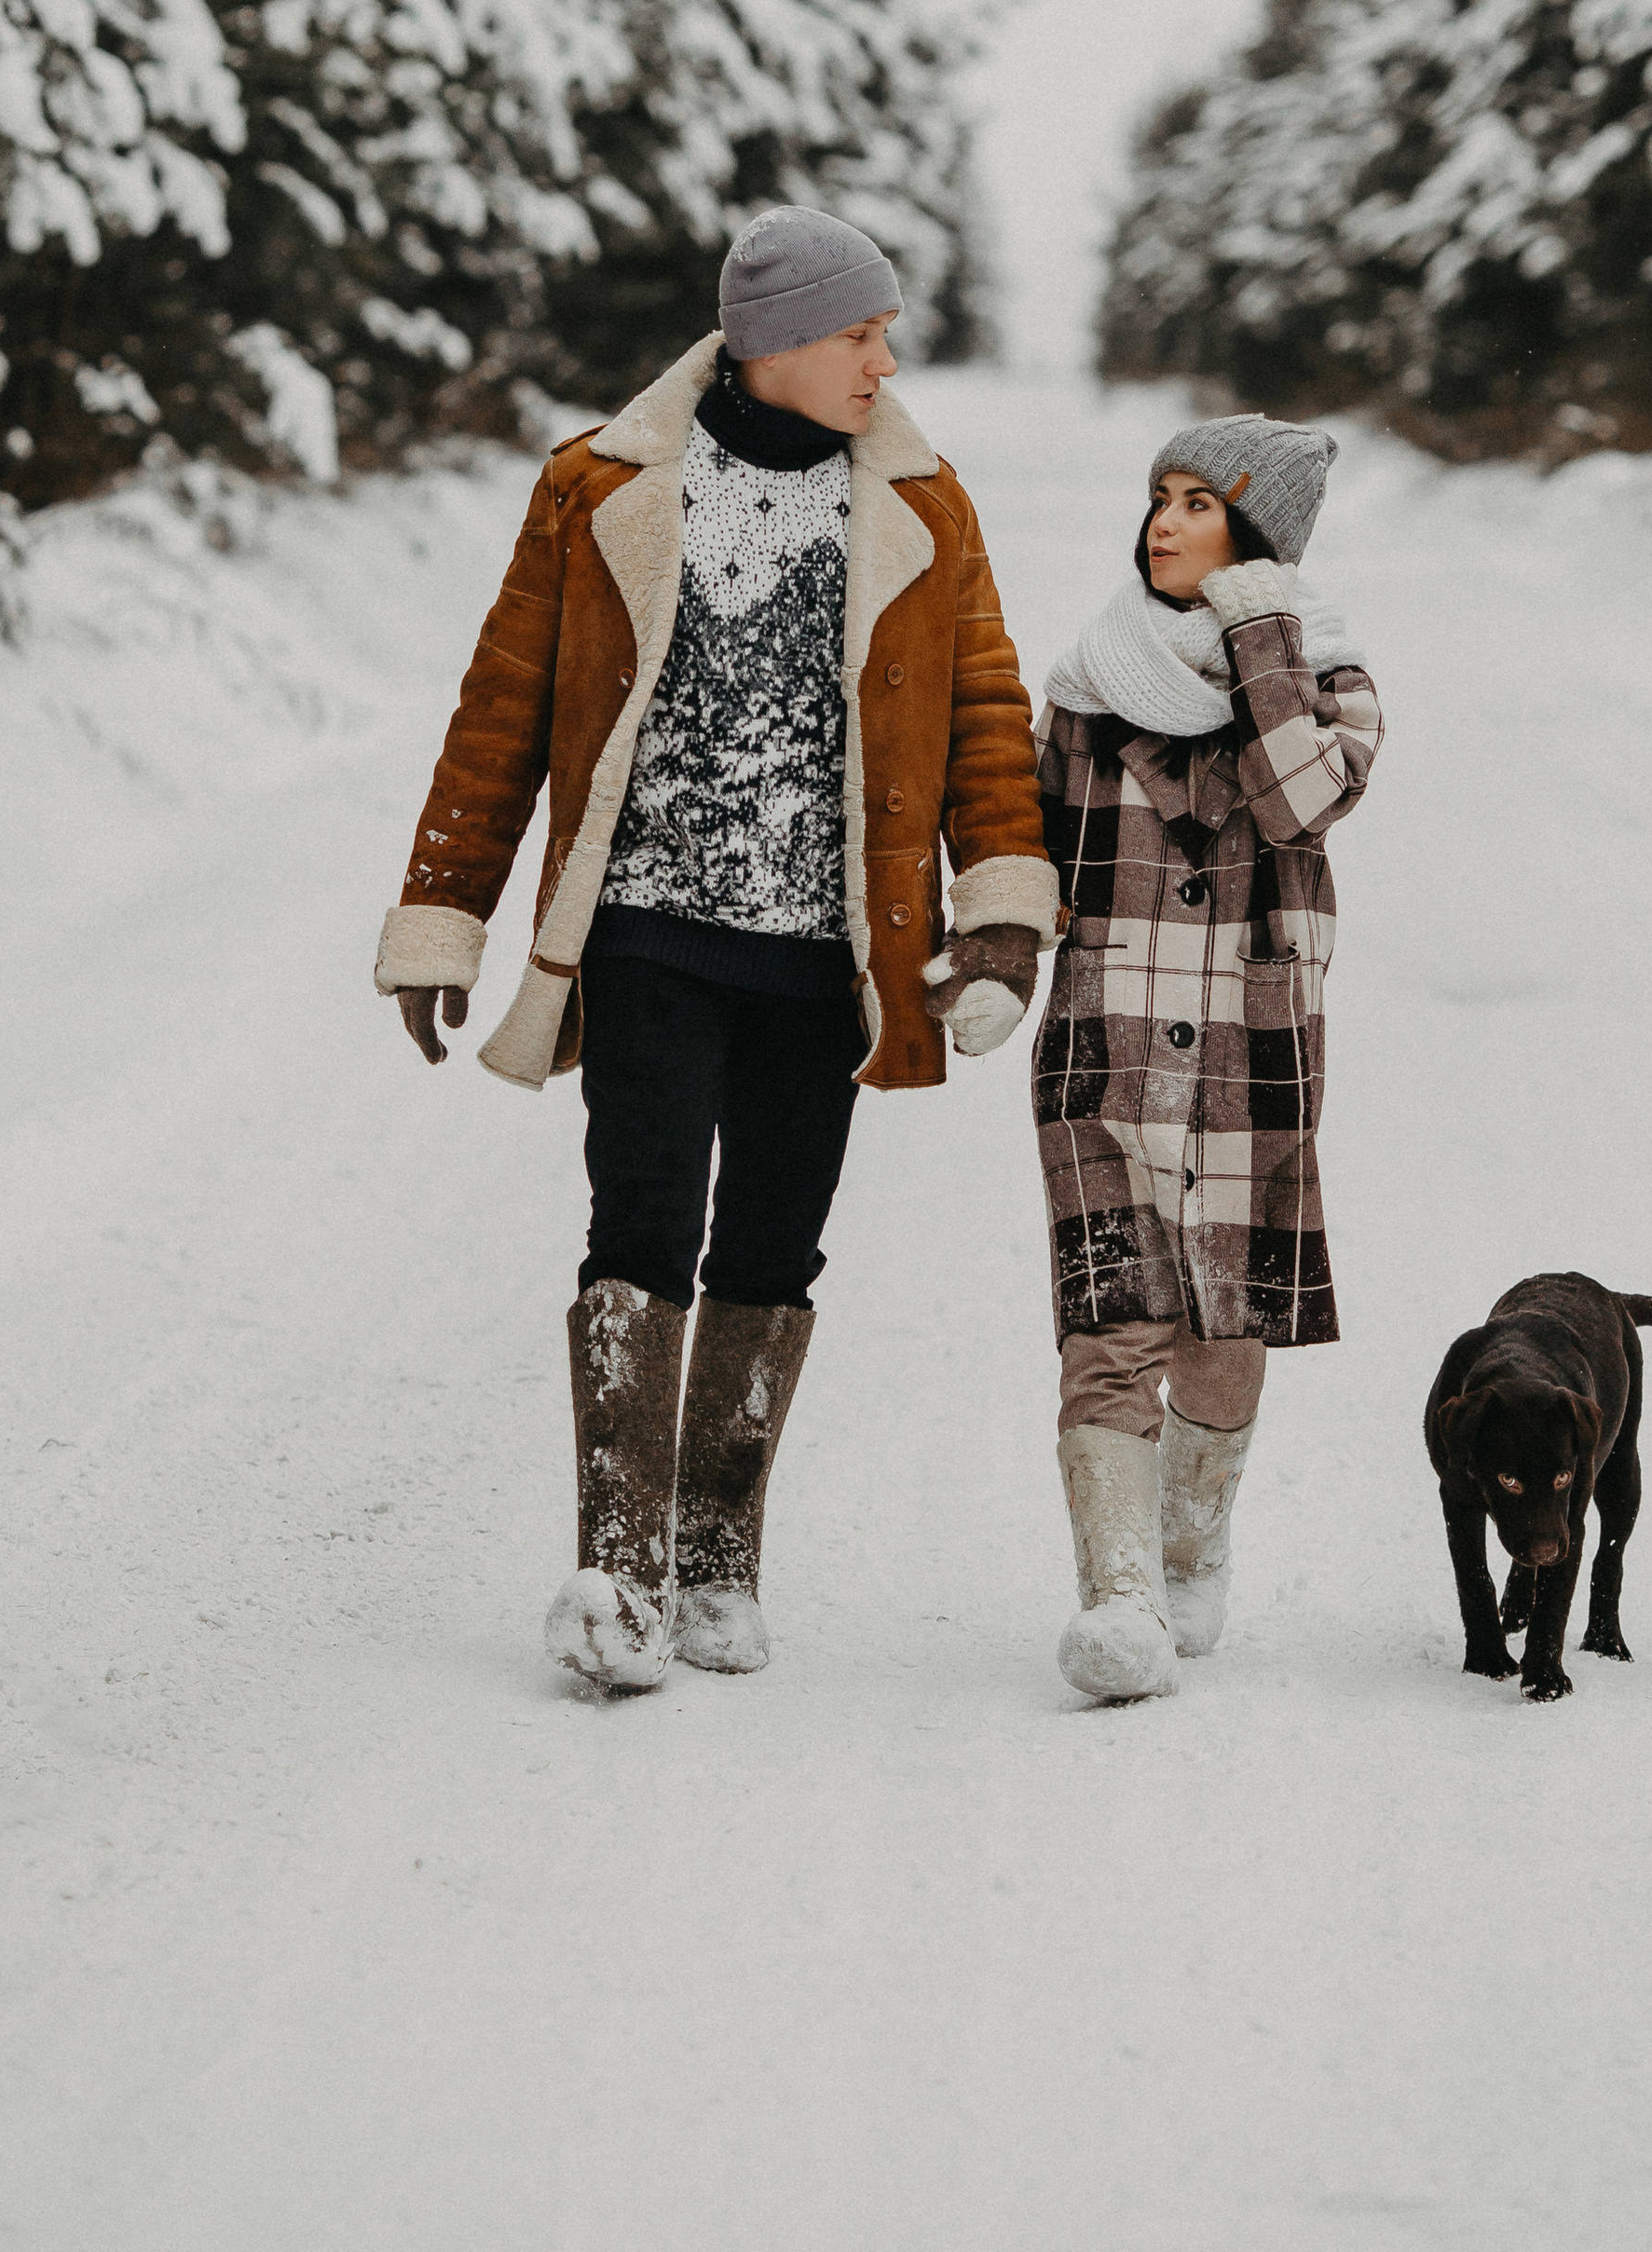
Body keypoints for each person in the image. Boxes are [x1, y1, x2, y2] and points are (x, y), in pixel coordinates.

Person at [374, 208, 1058, 1693]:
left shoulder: (925, 509)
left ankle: (718, 1557)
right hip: (647, 935)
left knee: (771, 1243)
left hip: (828, 956)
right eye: (860, 334)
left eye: (886, 334)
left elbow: (986, 718)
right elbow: (502, 711)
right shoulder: (603, 487)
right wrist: (448, 912)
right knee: (639, 1228)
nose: (886, 360)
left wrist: (1000, 912)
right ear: (775, 343)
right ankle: (617, 1569)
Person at [1031, 416, 1382, 1701]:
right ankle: (1118, 1600)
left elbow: (1301, 801)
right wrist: (995, 962)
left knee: (1223, 1322)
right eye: (1158, 498)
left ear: (1260, 540)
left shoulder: (1331, 679)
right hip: (1105, 1040)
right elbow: (1034, 849)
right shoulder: (1086, 677)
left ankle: (1189, 1543)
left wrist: (1258, 636)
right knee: (1110, 1312)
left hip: (1250, 1042)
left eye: (1199, 503)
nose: (1164, 523)